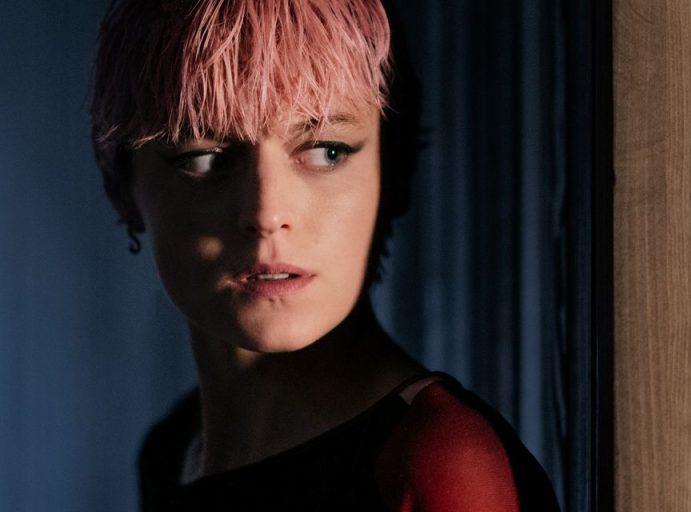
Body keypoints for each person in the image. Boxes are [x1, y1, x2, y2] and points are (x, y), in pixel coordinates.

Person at [89, 0, 560, 510]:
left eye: (326, 151)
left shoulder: (439, 463)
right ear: (121, 186)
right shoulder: (173, 450)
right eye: (206, 158)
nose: (267, 213)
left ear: (393, 172)